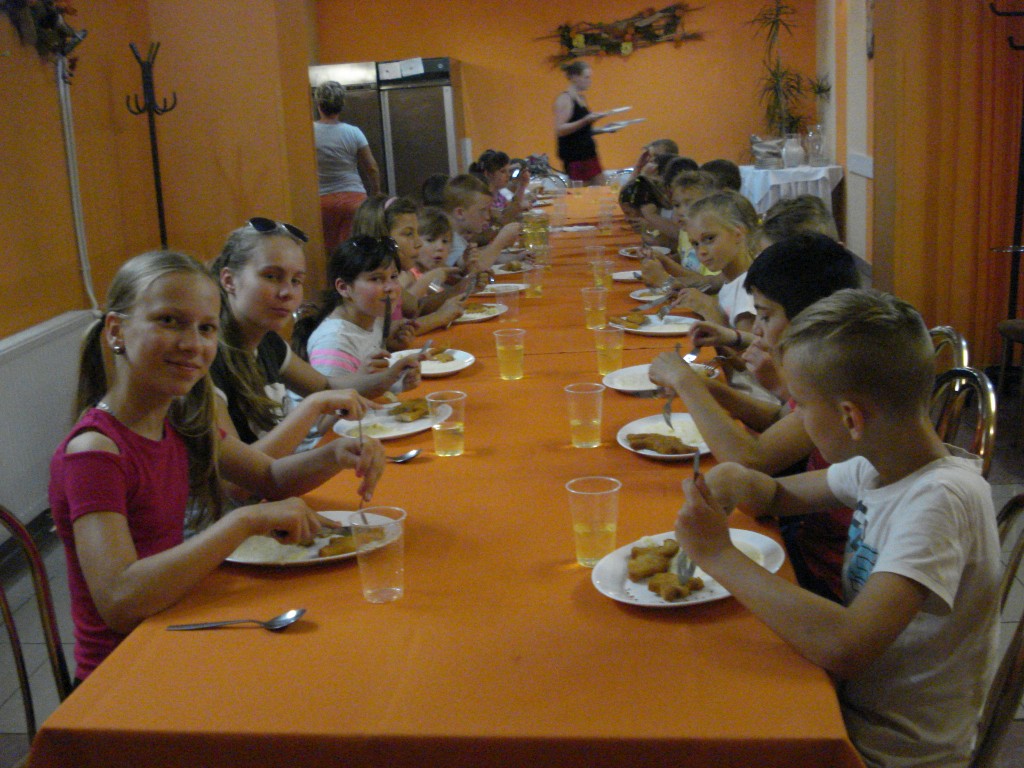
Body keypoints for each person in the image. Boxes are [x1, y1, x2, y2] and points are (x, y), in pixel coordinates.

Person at [677, 288, 1000, 768]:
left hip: (892, 749)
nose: (797, 417)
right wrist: (736, 478)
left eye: (801, 406)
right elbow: (776, 496)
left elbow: (846, 645)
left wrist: (717, 554)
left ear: (850, 417)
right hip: (852, 699)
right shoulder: (880, 464)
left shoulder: (941, 501)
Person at [49, 251, 385, 681]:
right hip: (126, 671)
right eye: (169, 321)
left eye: (206, 328)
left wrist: (335, 455)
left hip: (178, 622)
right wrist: (244, 522)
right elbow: (119, 600)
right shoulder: (95, 451)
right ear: (116, 330)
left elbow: (268, 477)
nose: (193, 344)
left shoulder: (180, 421)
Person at [649, 233, 861, 601]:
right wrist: (712, 390)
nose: (756, 330)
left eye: (765, 315)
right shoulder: (827, 365)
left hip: (821, 567)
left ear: (810, 318)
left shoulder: (837, 382)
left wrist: (687, 383)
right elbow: (781, 419)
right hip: (806, 531)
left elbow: (751, 459)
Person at [209, 217, 418, 456]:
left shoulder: (268, 341)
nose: (287, 292)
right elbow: (241, 473)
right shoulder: (208, 362)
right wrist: (314, 407)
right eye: (271, 276)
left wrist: (390, 376)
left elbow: (326, 385)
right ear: (229, 280)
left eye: (296, 280)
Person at [352, 196, 469, 334]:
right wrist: (439, 317)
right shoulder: (370, 285)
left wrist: (460, 288)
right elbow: (388, 334)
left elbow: (416, 307)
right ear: (380, 237)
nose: (418, 243)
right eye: (409, 234)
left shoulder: (391, 279)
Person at [667, 190, 759, 335]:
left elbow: (747, 348)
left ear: (738, 234)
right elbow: (713, 282)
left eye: (709, 239)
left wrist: (708, 309)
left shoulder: (749, 290)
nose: (701, 251)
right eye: (695, 244)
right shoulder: (732, 277)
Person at [313, 81, 381, 254]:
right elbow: (372, 167)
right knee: (356, 251)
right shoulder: (353, 132)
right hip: (354, 199)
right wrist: (376, 193)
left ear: (318, 104)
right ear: (341, 105)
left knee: (329, 253)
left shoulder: (309, 132)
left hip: (323, 201)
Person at [441, 174, 520, 270]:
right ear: (460, 213)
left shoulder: (460, 237)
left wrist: (518, 257)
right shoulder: (448, 241)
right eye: (482, 211)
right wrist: (502, 239)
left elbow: (480, 255)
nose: (487, 217)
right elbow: (475, 268)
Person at [553, 61, 609, 184]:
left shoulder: (581, 98)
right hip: (575, 156)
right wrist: (585, 120)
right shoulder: (565, 99)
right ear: (574, 77)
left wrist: (604, 129)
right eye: (586, 77)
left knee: (602, 188)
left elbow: (581, 131)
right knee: (581, 192)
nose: (589, 81)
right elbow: (560, 129)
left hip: (588, 153)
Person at [468, 149, 530, 226]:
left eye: (508, 171)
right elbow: (503, 220)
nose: (508, 175)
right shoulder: (484, 201)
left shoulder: (499, 196)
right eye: (503, 171)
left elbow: (511, 210)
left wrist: (522, 184)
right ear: (488, 174)